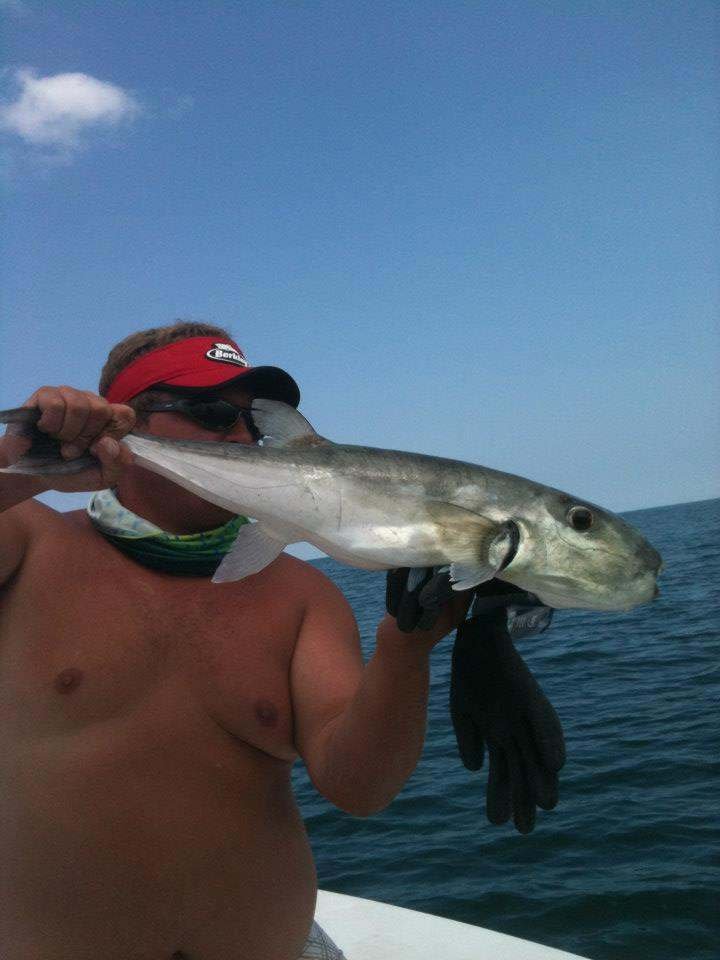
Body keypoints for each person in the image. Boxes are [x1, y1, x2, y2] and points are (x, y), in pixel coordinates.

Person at [0, 321, 562, 960]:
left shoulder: (302, 594)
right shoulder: (27, 541)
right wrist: (20, 464)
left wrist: (407, 649)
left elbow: (358, 787)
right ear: (122, 420)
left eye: (253, 422)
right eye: (213, 413)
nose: (242, 436)